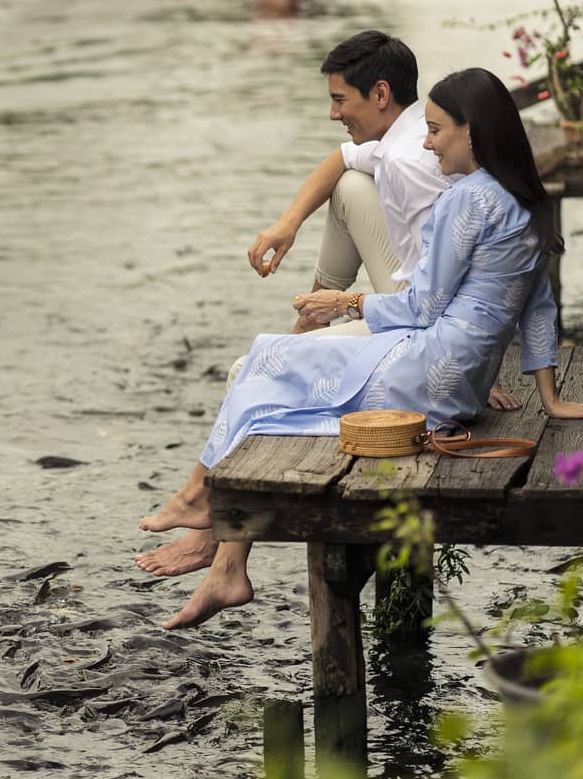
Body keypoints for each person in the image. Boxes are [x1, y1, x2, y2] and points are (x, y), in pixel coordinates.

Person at [136, 67, 583, 629]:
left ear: (473, 132)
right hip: (458, 385)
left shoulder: (467, 200)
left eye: (437, 130)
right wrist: (552, 399)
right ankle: (215, 540)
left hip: (422, 369)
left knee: (266, 360)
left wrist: (346, 303)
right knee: (275, 373)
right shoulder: (528, 202)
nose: (429, 141)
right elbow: (539, 311)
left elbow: (423, 307)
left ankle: (206, 513)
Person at [135, 31, 513, 579]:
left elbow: (442, 292)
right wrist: (286, 225)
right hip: (427, 303)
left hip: (420, 322)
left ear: (380, 94)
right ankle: (305, 330)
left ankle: (218, 541)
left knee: (251, 369)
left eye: (341, 100)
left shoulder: (414, 163)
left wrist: (463, 353)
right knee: (351, 185)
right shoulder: (402, 142)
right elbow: (339, 160)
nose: (334, 113)